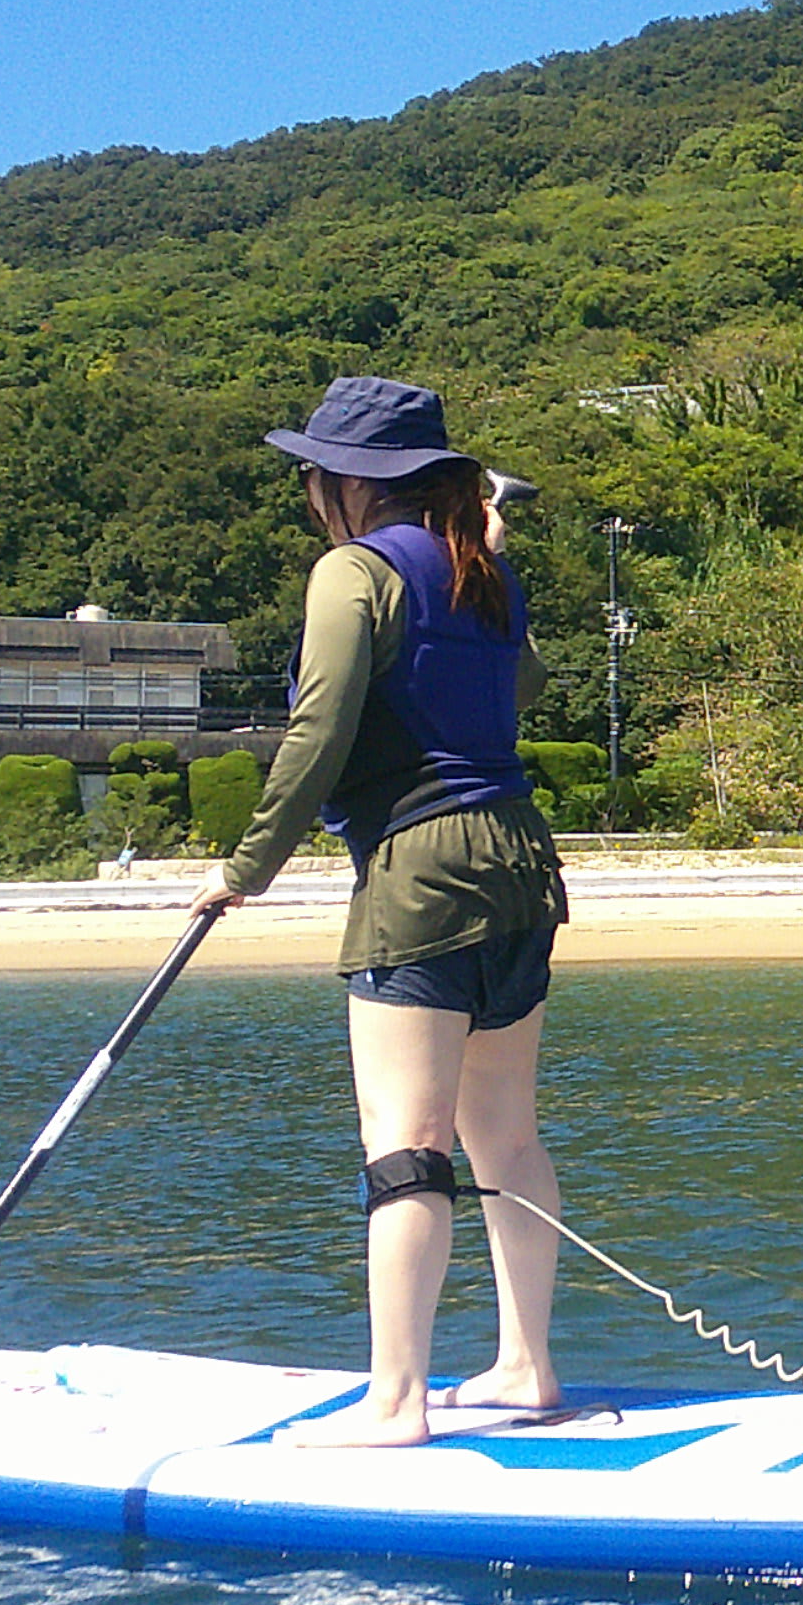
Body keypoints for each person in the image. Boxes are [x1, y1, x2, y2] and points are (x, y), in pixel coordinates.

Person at [196, 377, 574, 1444]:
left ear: (348, 483)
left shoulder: (350, 571)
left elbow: (316, 732)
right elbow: (522, 692)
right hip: (520, 862)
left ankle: (396, 1402)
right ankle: (524, 1371)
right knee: (504, 1134)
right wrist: (484, 556)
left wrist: (244, 869)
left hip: (420, 871)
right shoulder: (483, 571)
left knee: (406, 1144)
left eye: (313, 474)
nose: (308, 492)